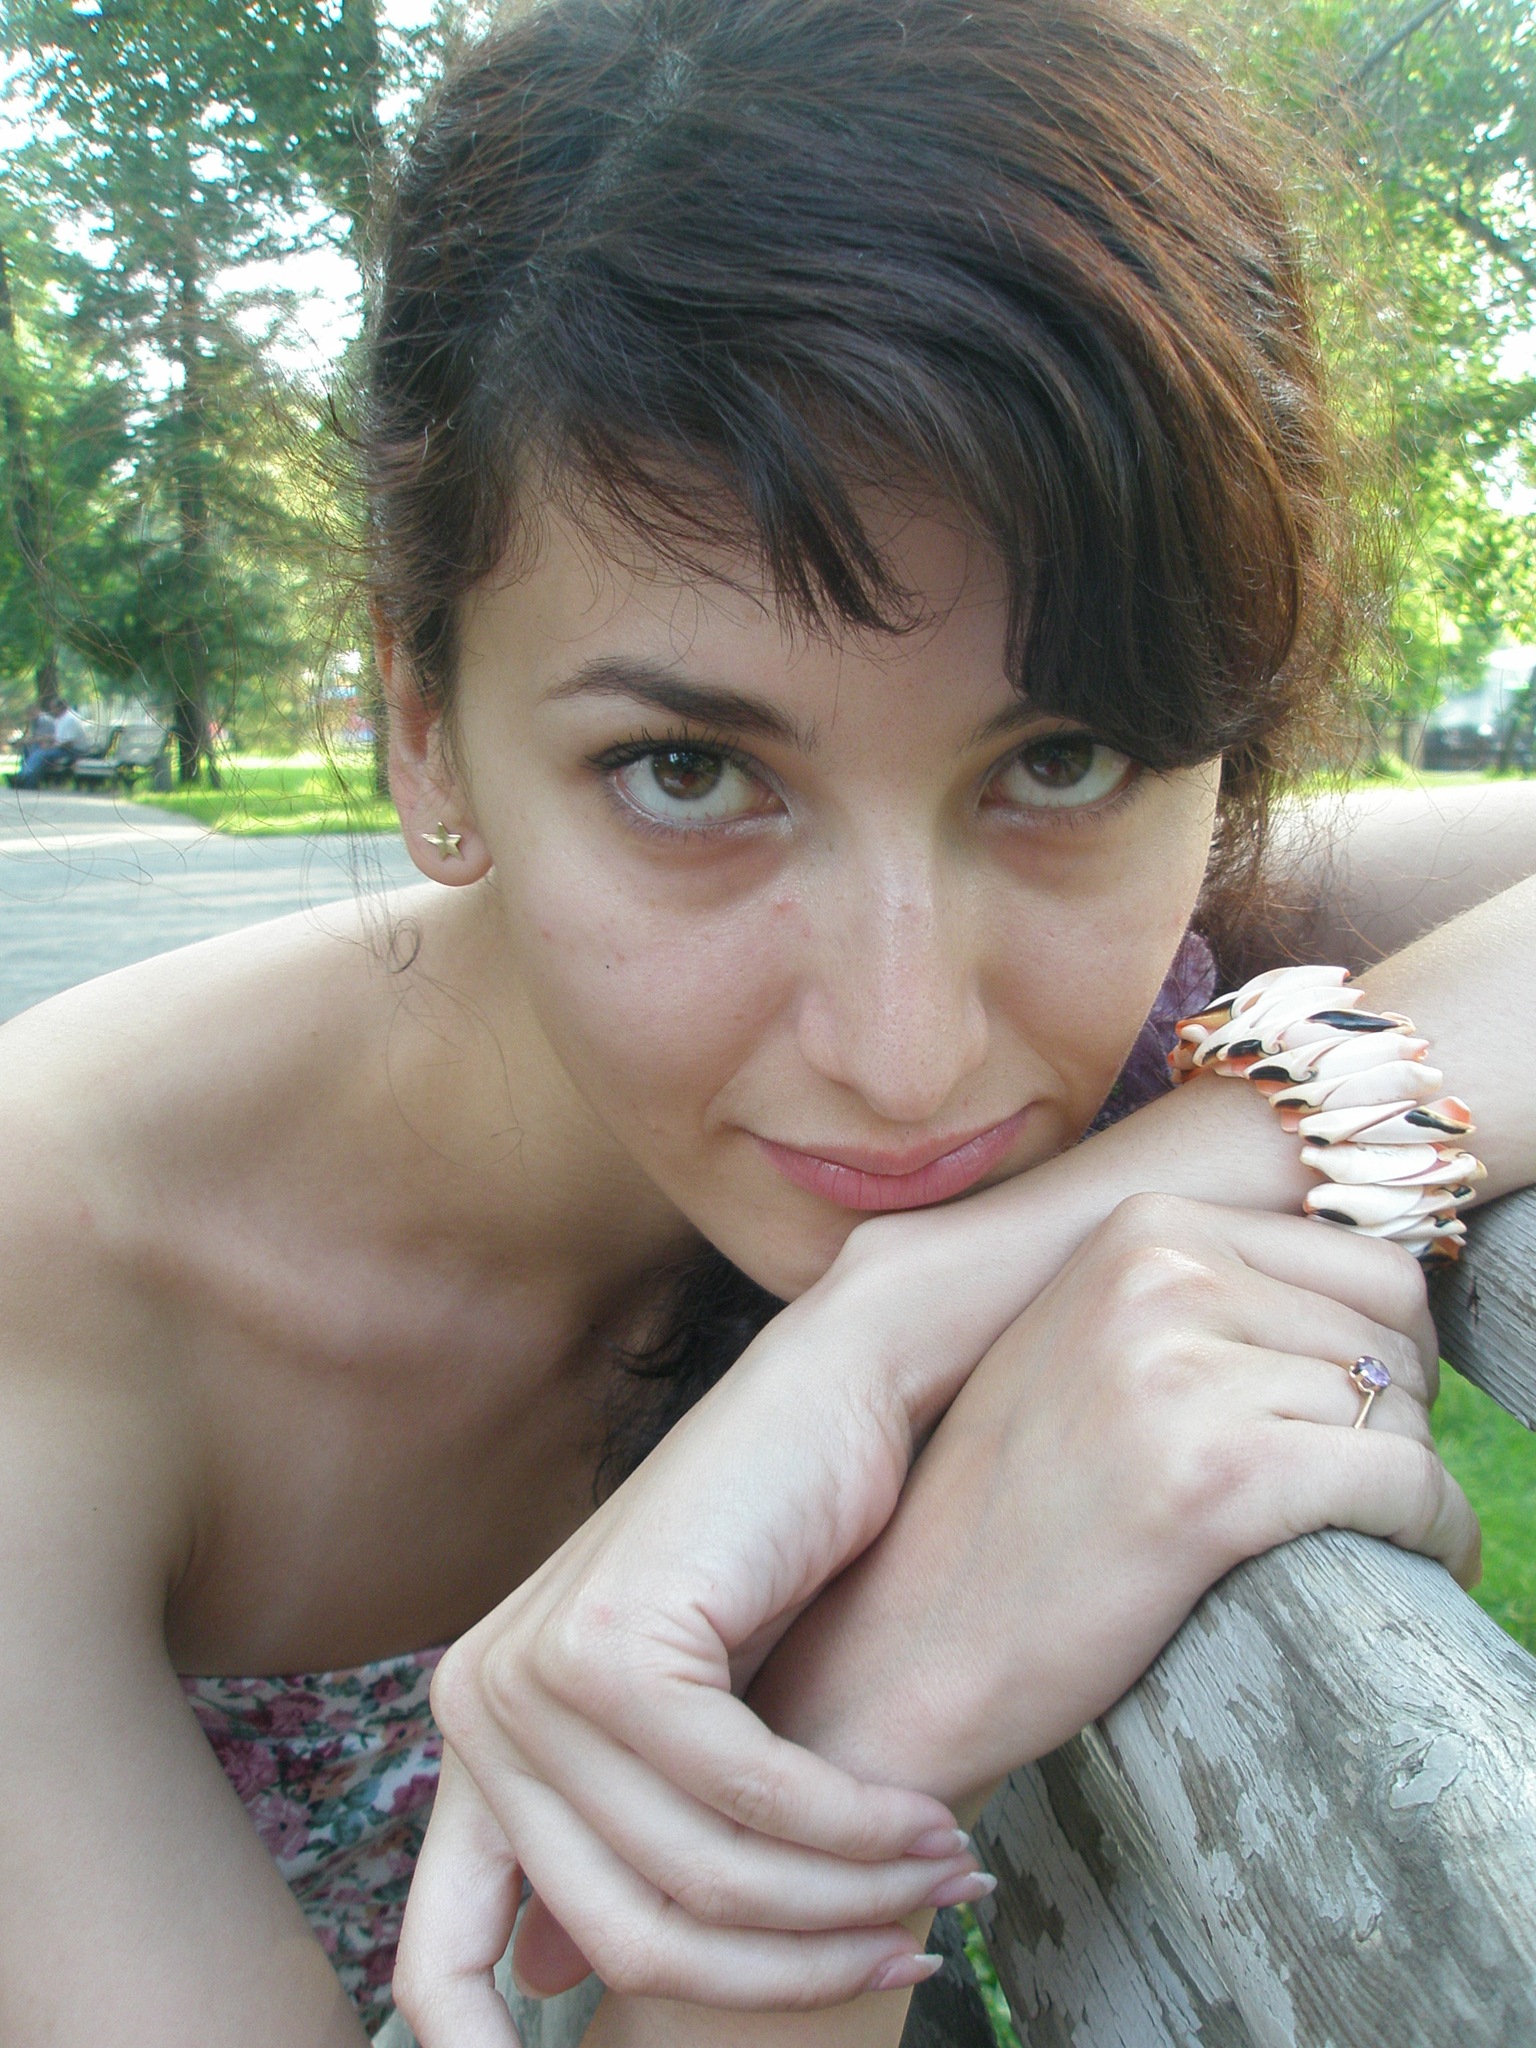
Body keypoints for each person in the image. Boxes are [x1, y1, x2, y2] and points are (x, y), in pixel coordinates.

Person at [0, 2, 1532, 2045]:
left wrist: (911, 1307)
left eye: (1060, 755)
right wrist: (857, 1724)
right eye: (691, 773)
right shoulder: (52, 1280)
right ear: (423, 723)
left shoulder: (1163, 920)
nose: (909, 1049)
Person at [9, 692, 89, 787]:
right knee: (38, 752)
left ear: (59, 708)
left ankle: (25, 779)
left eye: (53, 708)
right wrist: (48, 743)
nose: (51, 711)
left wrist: (51, 746)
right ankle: (24, 778)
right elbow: (58, 737)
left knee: (40, 754)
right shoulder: (62, 718)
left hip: (74, 751)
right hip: (65, 748)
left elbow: (68, 743)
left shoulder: (70, 719)